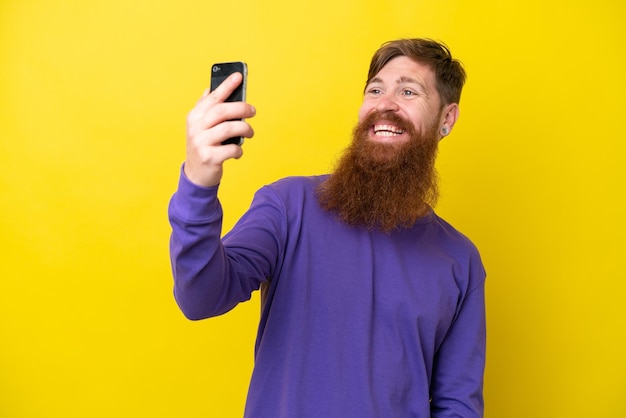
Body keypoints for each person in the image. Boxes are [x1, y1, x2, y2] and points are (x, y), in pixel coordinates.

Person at [168, 38, 486, 417]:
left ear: (446, 119)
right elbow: (200, 296)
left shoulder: (460, 260)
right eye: (375, 90)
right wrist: (198, 182)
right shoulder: (288, 206)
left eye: (408, 91)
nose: (385, 103)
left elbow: (458, 405)